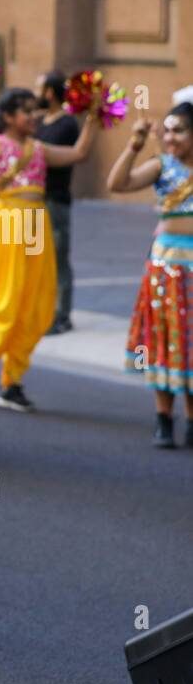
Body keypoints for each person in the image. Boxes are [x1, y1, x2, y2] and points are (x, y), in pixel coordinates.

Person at [0, 88, 97, 412]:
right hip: (4, 225)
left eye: (35, 110)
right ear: (7, 116)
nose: (34, 116)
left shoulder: (38, 148)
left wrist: (93, 116)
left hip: (36, 227)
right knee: (2, 303)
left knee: (35, 304)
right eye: (26, 111)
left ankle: (12, 382)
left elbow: (78, 153)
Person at [107, 105, 193, 447]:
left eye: (181, 130)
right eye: (168, 130)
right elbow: (117, 184)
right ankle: (162, 418)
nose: (171, 137)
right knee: (163, 337)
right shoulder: (161, 165)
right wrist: (135, 144)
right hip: (166, 266)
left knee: (190, 342)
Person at [35, 70, 81, 335]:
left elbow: (47, 155)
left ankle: (62, 314)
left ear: (50, 92)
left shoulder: (66, 124)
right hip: (37, 200)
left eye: (40, 87)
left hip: (56, 199)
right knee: (41, 258)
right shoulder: (42, 121)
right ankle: (45, 309)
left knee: (59, 257)